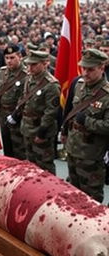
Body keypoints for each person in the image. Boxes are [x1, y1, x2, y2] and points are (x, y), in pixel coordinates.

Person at [61, 48, 109, 203]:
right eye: (84, 68)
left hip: (92, 156)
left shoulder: (106, 94)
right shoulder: (78, 84)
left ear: (102, 67)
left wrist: (87, 121)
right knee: (72, 193)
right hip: (73, 149)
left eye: (91, 69)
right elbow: (69, 110)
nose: (86, 73)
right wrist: (65, 132)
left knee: (91, 200)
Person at [10, 50, 60, 174]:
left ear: (45, 64)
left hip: (40, 130)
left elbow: (51, 112)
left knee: (44, 164)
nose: (30, 67)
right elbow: (24, 98)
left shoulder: (51, 85)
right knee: (31, 163)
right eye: (28, 64)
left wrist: (42, 132)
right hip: (27, 127)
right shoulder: (29, 78)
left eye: (34, 64)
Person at [0, 44, 27, 160]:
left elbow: (26, 99)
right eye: (7, 58)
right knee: (7, 149)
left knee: (19, 151)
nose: (9, 61)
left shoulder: (26, 74)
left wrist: (16, 115)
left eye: (12, 58)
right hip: (3, 116)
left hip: (18, 118)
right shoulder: (2, 72)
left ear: (20, 56)